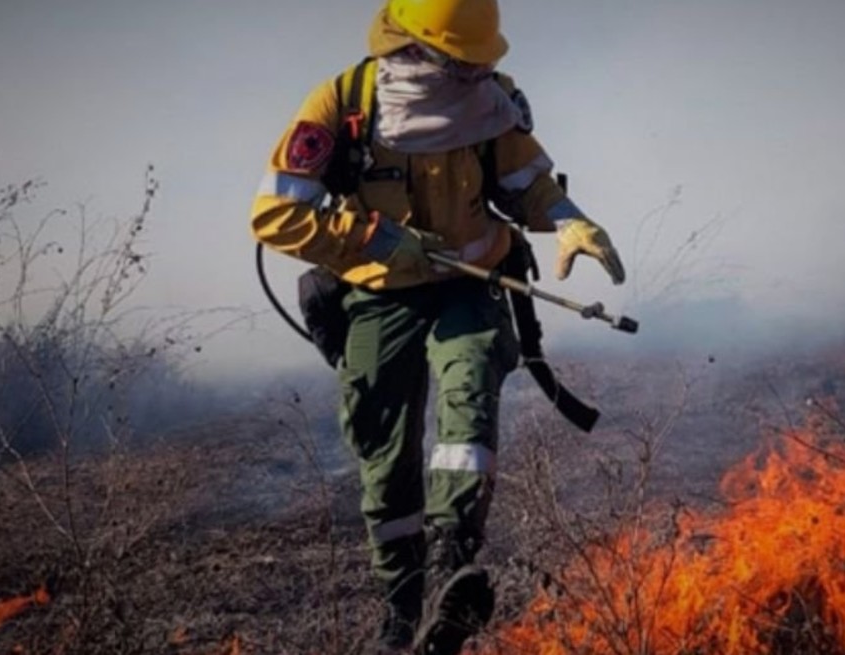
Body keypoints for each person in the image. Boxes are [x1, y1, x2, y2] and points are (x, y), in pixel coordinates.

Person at [250, 1, 625, 652]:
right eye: (463, 58)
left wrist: (568, 217)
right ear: (420, 45)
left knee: (470, 383)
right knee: (382, 448)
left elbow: (527, 178)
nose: (476, 69)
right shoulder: (346, 102)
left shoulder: (489, 101)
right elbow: (276, 215)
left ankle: (455, 564)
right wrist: (372, 238)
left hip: (469, 283)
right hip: (379, 295)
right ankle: (401, 613)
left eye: (482, 59)